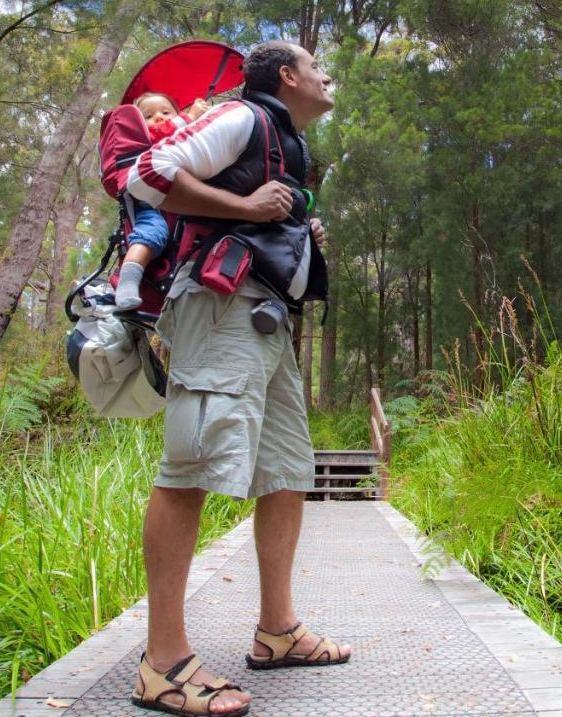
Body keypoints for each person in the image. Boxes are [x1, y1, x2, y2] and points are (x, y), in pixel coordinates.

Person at [124, 41, 349, 716]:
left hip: (267, 318)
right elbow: (149, 172)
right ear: (287, 76)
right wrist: (249, 210)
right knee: (189, 465)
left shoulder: (287, 143)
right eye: (316, 65)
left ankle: (277, 631)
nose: (325, 75)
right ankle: (162, 664)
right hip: (221, 307)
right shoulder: (245, 118)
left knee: (287, 467)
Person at [114, 92, 210, 312]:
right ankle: (127, 283)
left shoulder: (185, 134)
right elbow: (160, 136)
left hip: (179, 203)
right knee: (152, 232)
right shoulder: (143, 139)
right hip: (150, 201)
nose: (158, 117)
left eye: (166, 112)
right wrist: (188, 117)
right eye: (148, 116)